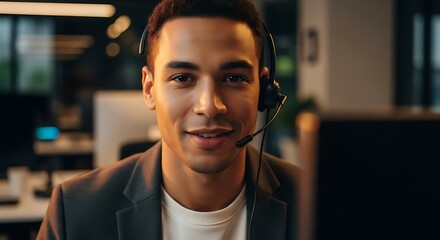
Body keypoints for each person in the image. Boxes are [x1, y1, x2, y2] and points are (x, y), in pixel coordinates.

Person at [37, 0, 299, 239]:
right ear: (149, 89)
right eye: (183, 78)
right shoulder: (74, 212)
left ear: (264, 91)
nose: (209, 107)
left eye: (233, 78)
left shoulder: (318, 201)